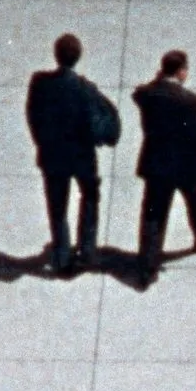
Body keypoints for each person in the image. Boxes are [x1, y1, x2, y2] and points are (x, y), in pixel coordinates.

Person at [24, 33, 118, 275]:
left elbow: (32, 116)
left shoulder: (40, 83)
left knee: (57, 206)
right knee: (89, 197)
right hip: (82, 156)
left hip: (52, 155)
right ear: (78, 57)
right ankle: (87, 251)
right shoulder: (85, 88)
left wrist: (41, 143)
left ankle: (62, 256)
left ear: (56, 55)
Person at [131, 49, 196, 287]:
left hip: (157, 164)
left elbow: (138, 92)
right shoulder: (191, 101)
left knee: (153, 215)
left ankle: (147, 267)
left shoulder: (148, 95)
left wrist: (157, 79)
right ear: (181, 71)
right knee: (195, 204)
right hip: (187, 165)